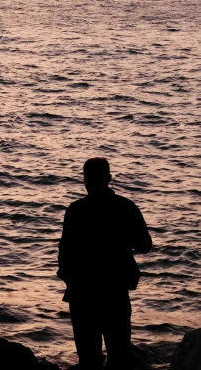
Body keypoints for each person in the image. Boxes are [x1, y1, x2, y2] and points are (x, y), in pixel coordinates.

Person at [57, 158, 152, 369]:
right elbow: (145, 245)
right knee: (119, 358)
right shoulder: (125, 207)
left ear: (85, 180)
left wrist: (71, 281)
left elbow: (64, 256)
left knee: (88, 360)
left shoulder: (76, 209)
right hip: (114, 291)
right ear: (108, 178)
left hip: (82, 293)